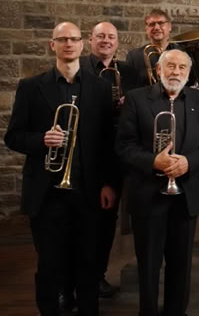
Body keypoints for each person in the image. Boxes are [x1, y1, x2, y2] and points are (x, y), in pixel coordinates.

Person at [5, 21, 116, 316]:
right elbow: (13, 136)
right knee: (49, 264)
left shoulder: (101, 88)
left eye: (74, 39)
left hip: (87, 191)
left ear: (82, 44)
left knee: (88, 262)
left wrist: (108, 183)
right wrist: (41, 139)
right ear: (52, 45)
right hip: (46, 193)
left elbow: (108, 142)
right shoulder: (31, 87)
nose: (68, 44)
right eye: (62, 39)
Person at [116, 49, 199, 316]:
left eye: (182, 67)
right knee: (148, 263)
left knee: (181, 264)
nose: (176, 72)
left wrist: (189, 163)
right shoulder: (137, 99)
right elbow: (124, 145)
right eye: (170, 66)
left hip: (186, 194)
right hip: (148, 194)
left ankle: (176, 311)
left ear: (189, 73)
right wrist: (153, 161)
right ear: (159, 70)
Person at [77, 21, 137, 299]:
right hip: (87, 152)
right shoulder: (80, 68)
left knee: (106, 222)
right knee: (80, 222)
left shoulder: (128, 71)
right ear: (90, 40)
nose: (106, 40)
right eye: (100, 36)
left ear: (117, 41)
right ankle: (73, 281)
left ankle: (97, 276)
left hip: (117, 152)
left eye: (111, 37)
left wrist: (128, 106)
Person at [125, 9, 177, 87]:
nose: (156, 27)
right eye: (152, 24)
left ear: (170, 27)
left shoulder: (182, 53)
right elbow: (129, 87)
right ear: (146, 29)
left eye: (161, 23)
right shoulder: (134, 57)